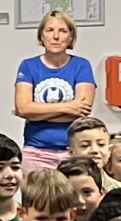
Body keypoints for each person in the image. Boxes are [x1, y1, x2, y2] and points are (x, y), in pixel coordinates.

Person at [13, 11, 95, 173]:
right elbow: (23, 108)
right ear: (41, 36)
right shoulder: (28, 66)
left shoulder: (81, 65)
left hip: (73, 152)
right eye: (49, 30)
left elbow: (82, 110)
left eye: (63, 31)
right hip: (36, 151)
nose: (56, 36)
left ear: (71, 37)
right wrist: (68, 107)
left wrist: (34, 113)